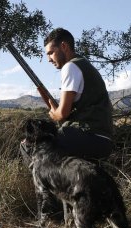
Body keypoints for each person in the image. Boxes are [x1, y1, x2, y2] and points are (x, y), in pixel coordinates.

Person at [21, 27, 114, 163]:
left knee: (28, 144)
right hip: (103, 140)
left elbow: (62, 114)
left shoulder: (70, 67)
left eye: (51, 53)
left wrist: (54, 113)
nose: (49, 59)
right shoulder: (83, 64)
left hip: (90, 137)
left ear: (64, 46)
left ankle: (42, 183)